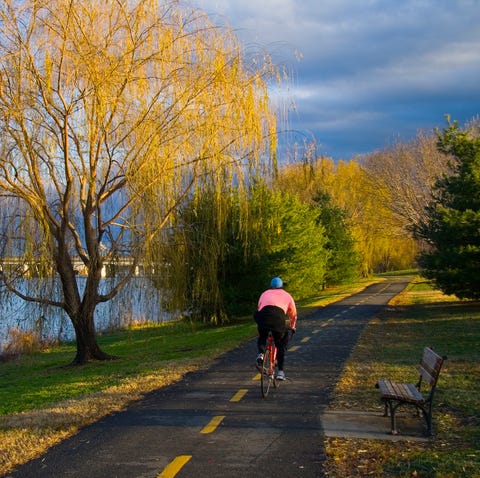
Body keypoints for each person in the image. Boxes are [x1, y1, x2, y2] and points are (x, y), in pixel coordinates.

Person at [253, 277, 297, 380]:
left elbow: (259, 307)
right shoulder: (287, 295)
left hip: (263, 317)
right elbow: (293, 314)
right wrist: (292, 326)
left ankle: (261, 354)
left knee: (262, 336)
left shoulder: (264, 293)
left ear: (270, 286)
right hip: (278, 319)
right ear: (282, 286)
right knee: (280, 343)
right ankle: (280, 372)